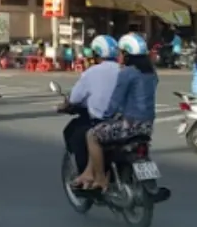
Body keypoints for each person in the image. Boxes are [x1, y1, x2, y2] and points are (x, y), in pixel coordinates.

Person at [72, 33, 158, 191]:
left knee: (92, 135)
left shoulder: (127, 73)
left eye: (120, 52)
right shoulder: (151, 74)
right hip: (147, 126)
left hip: (129, 125)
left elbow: (115, 101)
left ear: (126, 54)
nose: (119, 55)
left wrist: (105, 115)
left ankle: (100, 179)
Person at [59, 34, 121, 176]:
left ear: (96, 53)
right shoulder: (125, 70)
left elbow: (75, 98)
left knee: (76, 133)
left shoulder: (92, 72)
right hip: (125, 120)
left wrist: (64, 106)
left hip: (102, 121)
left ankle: (89, 175)